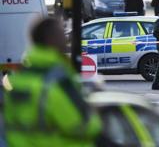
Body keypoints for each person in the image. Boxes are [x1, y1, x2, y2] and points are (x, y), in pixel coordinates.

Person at [4, 18, 102, 147]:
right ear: (51, 39)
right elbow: (83, 125)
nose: (66, 39)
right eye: (62, 34)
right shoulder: (58, 80)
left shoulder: (18, 79)